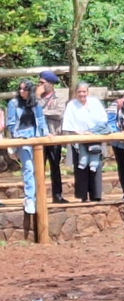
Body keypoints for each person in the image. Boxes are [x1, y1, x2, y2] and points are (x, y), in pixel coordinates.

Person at [7, 79, 49, 214]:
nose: (21, 91)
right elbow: (11, 123)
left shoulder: (35, 104)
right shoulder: (13, 104)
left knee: (38, 168)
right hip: (23, 138)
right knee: (28, 168)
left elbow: (41, 120)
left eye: (24, 89)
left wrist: (46, 134)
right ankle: (29, 198)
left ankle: (38, 196)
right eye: (20, 89)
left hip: (36, 136)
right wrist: (17, 136)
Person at [62, 82, 109, 202]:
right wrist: (79, 134)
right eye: (79, 92)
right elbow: (68, 124)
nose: (81, 94)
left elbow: (103, 120)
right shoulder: (71, 105)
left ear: (87, 92)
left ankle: (96, 195)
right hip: (79, 140)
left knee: (95, 167)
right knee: (81, 168)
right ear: (76, 92)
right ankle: (82, 195)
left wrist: (91, 132)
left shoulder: (95, 102)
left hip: (94, 139)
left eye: (84, 91)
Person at [37, 71, 69, 203]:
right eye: (39, 82)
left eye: (42, 83)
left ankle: (57, 195)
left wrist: (41, 112)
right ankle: (38, 196)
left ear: (50, 84)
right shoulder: (36, 98)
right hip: (38, 138)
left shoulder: (59, 98)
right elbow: (32, 112)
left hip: (54, 137)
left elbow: (59, 114)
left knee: (55, 167)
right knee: (38, 168)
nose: (40, 85)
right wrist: (38, 98)